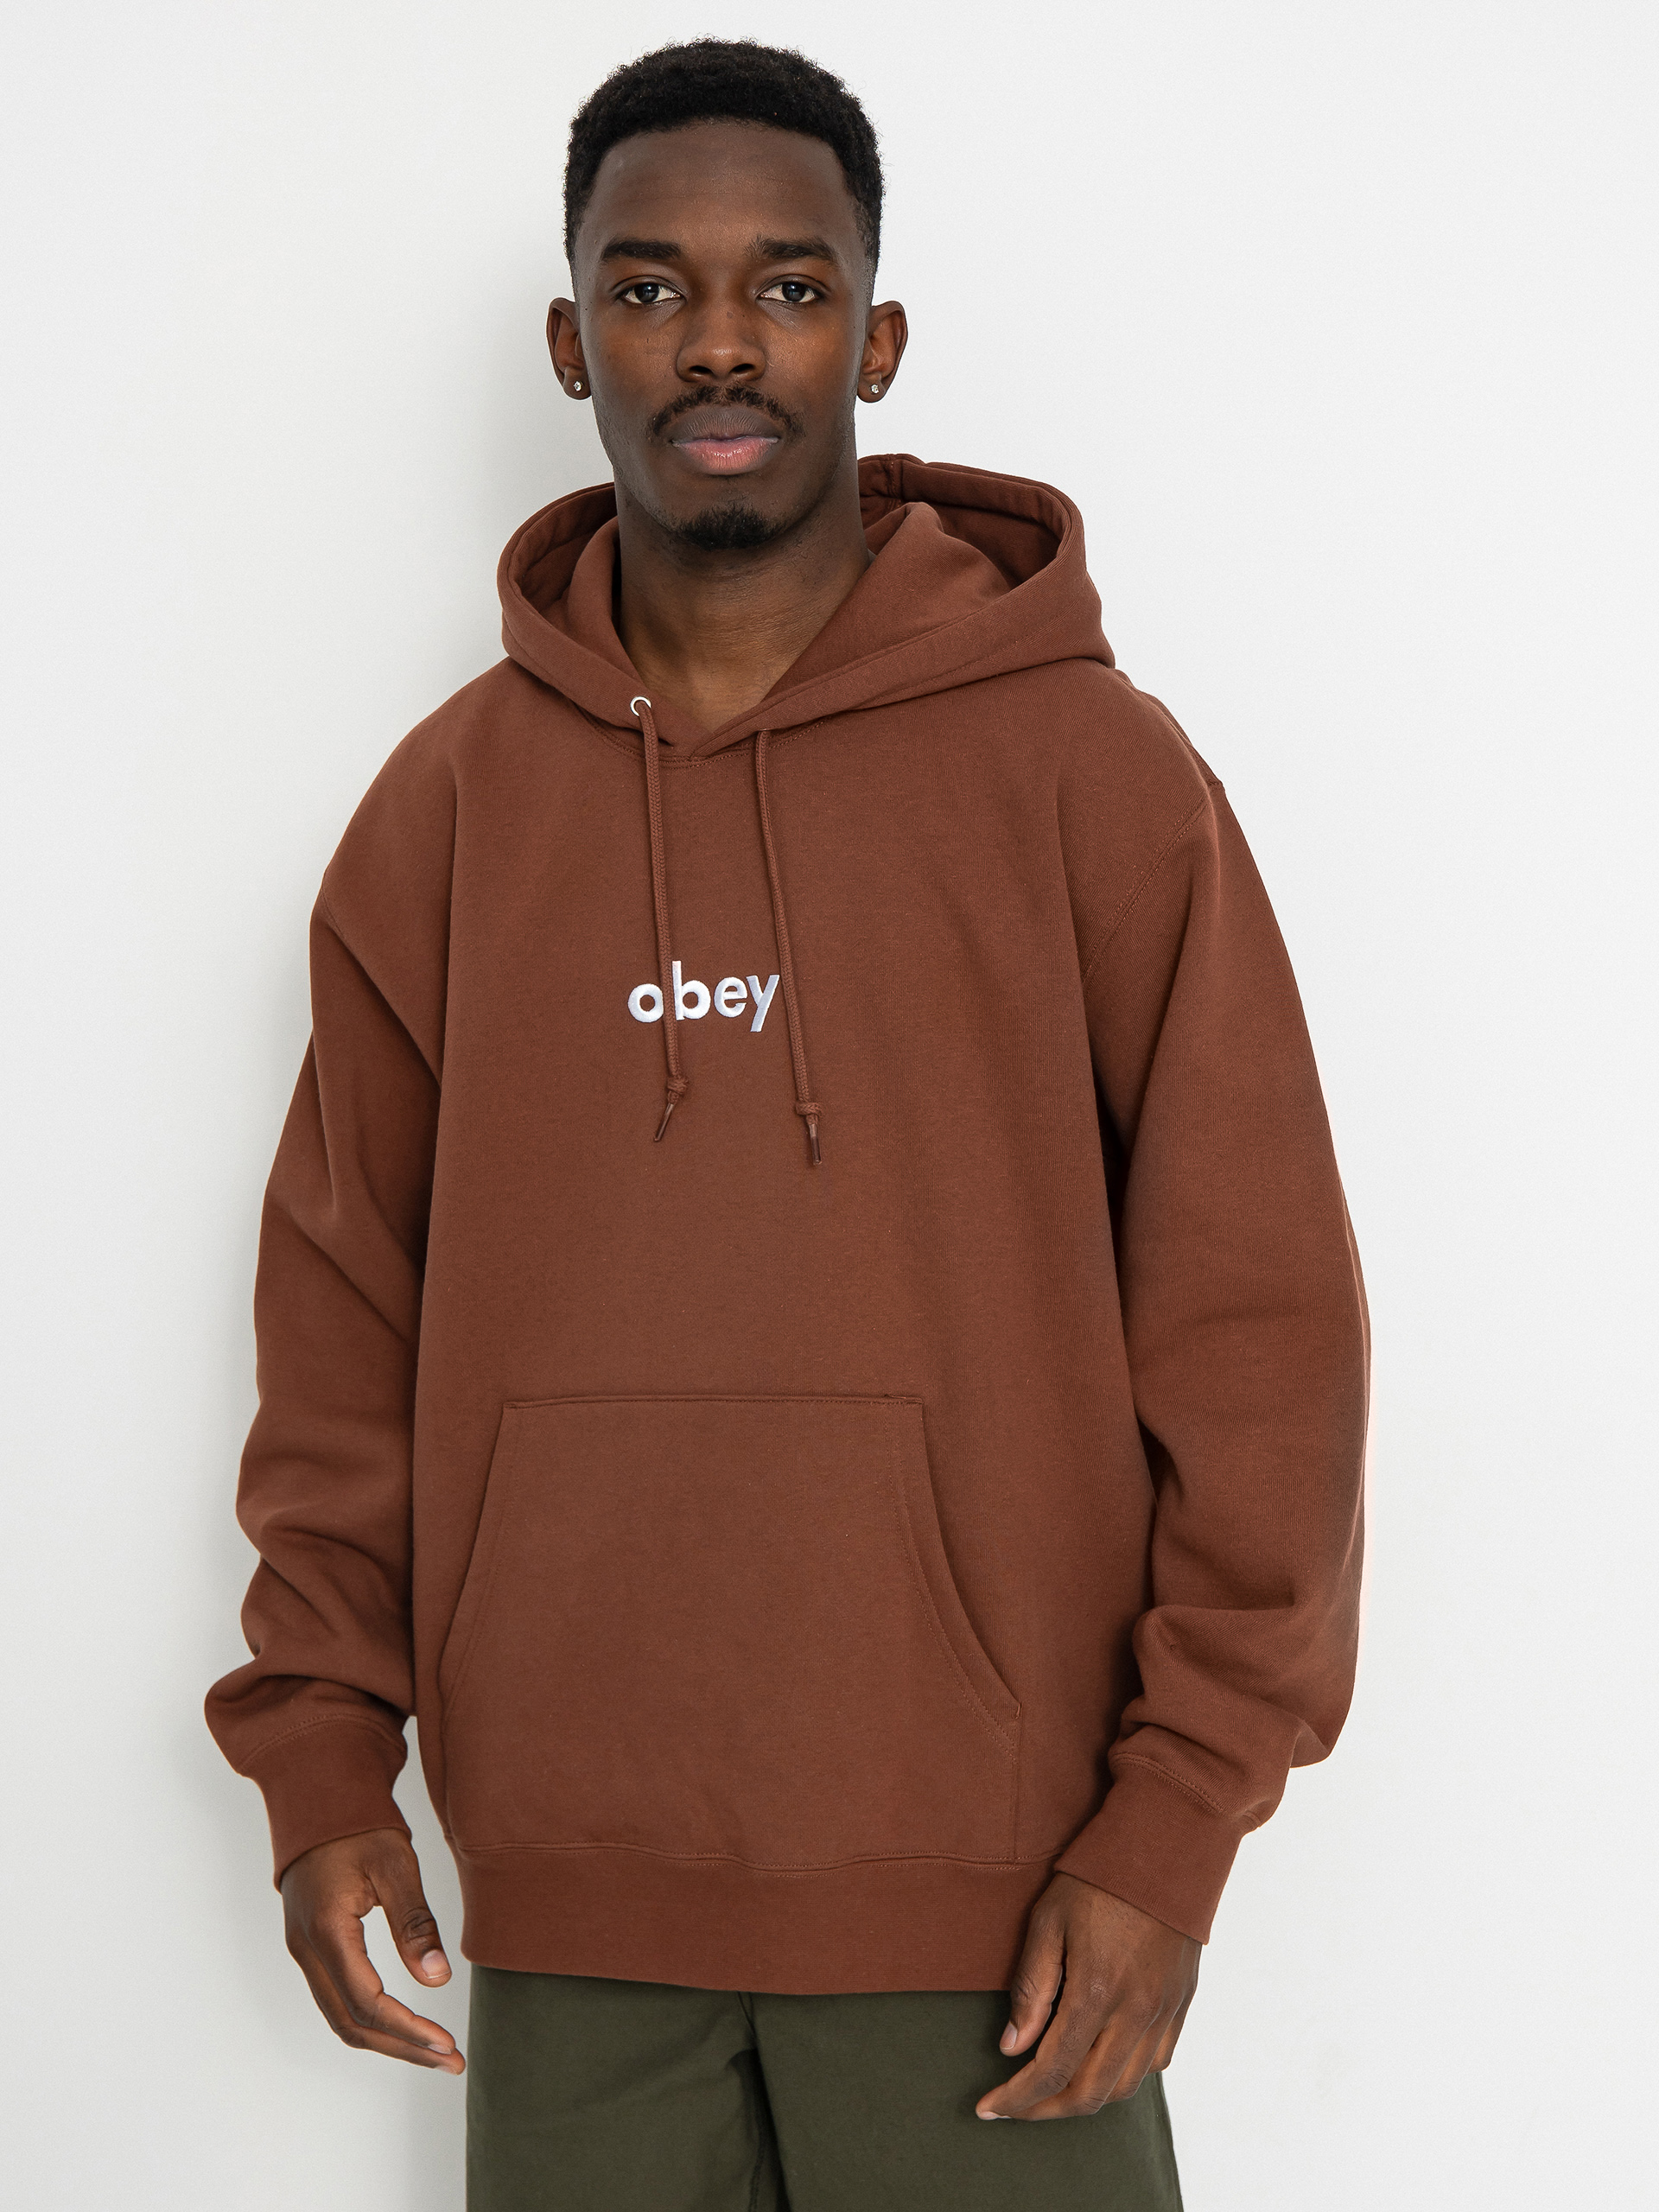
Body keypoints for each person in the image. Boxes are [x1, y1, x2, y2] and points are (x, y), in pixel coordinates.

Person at [207, 37, 1368, 2212]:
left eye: (790, 286)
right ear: (571, 344)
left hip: (1002, 1906)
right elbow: (345, 1313)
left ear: (878, 337)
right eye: (650, 288)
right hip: (571, 1891)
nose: (721, 341)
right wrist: (321, 1747)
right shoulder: (449, 810)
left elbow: (1260, 1324)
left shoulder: (1092, 777)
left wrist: (1176, 1818)